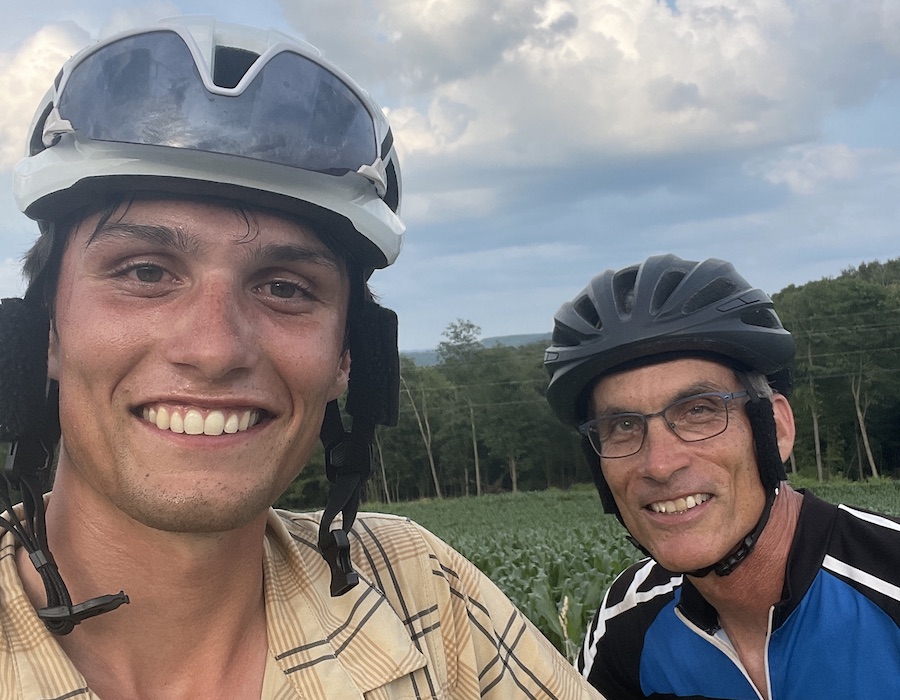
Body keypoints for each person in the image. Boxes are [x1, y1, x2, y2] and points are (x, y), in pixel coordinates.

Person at [0, 17, 602, 699]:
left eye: (285, 288)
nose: (215, 348)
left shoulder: (423, 594)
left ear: (352, 359)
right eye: (144, 273)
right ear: (42, 334)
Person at [543, 254, 900, 699]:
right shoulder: (627, 623)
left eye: (699, 411)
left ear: (776, 429)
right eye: (623, 426)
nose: (659, 464)